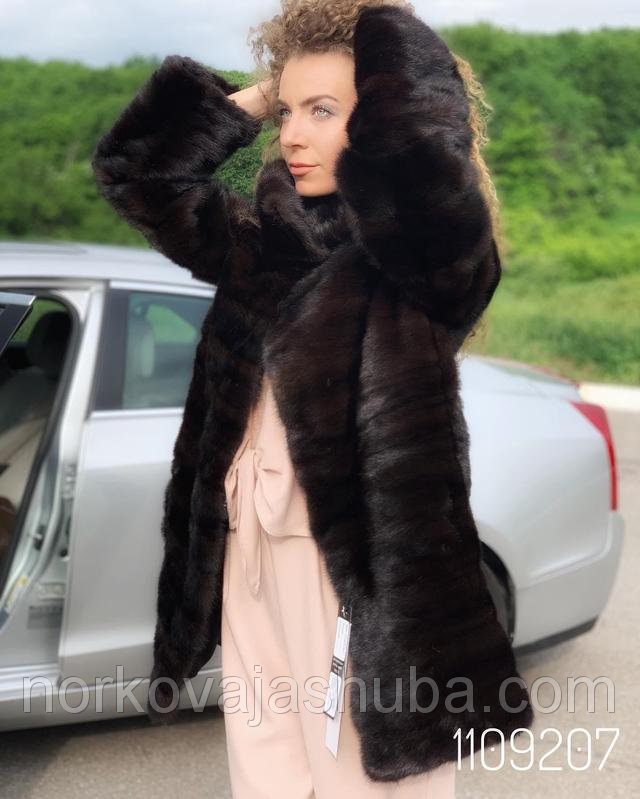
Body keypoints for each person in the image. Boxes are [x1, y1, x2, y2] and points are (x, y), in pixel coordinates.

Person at [91, 0, 535, 796]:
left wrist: (366, 31)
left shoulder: (421, 266)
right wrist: (276, 85)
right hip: (247, 550)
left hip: (357, 575)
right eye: (286, 115)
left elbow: (429, 172)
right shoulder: (261, 246)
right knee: (264, 778)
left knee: (368, 783)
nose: (292, 135)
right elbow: (139, 173)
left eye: (322, 113)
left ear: (384, 125)